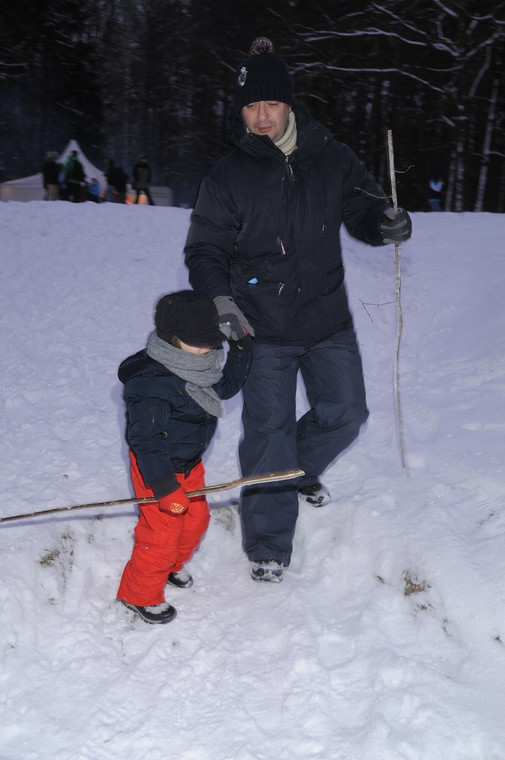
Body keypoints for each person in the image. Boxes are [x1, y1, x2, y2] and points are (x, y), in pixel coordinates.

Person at [184, 37, 412, 583]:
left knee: (347, 412)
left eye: (270, 105)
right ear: (241, 112)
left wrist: (386, 224)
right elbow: (205, 249)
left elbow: (366, 208)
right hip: (260, 325)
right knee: (268, 432)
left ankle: (298, 472)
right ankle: (267, 545)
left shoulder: (329, 155)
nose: (261, 118)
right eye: (250, 108)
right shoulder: (229, 175)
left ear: (288, 103)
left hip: (326, 318)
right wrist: (219, 299)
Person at [116, 291, 252, 624]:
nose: (208, 348)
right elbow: (145, 438)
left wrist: (242, 346)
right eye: (199, 342)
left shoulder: (200, 364)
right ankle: (139, 594)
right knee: (160, 535)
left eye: (212, 341)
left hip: (189, 462)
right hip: (157, 467)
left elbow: (227, 386)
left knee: (195, 521)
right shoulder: (149, 383)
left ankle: (170, 566)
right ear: (172, 339)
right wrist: (163, 485)